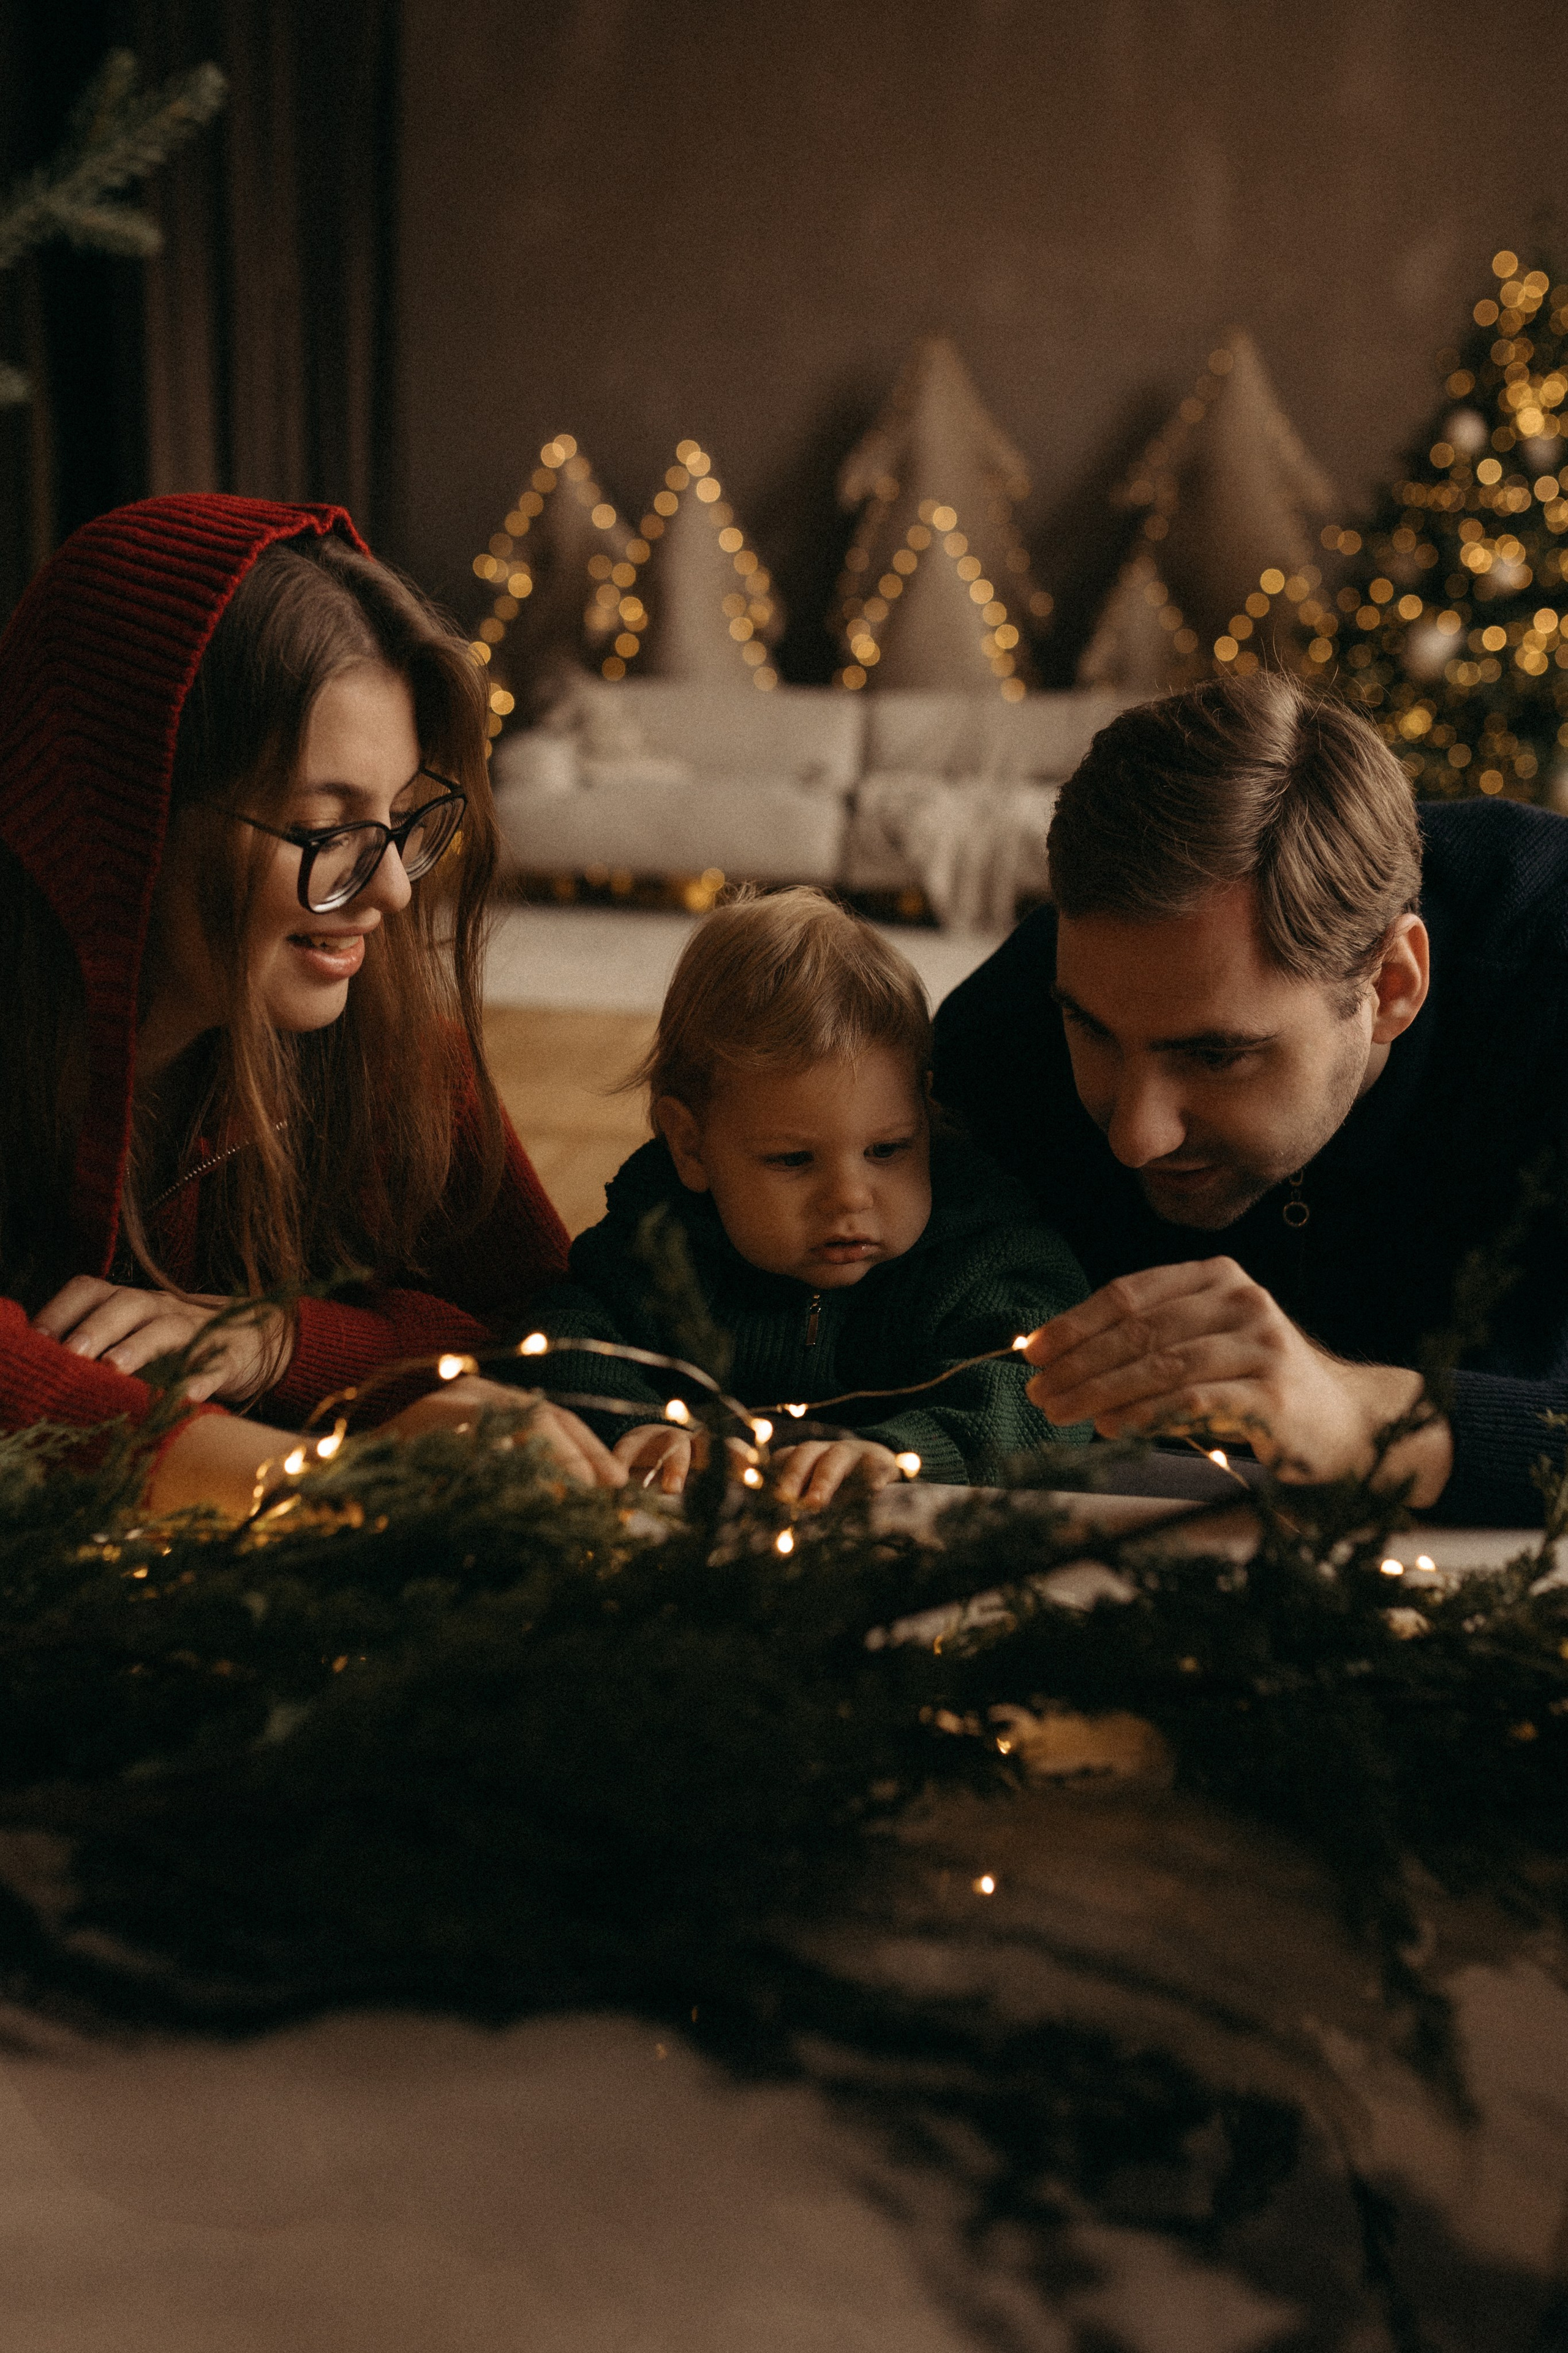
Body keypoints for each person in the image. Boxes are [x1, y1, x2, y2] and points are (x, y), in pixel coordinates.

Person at [0, 493, 624, 1505]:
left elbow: (546, 1327)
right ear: (132, 819)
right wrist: (333, 1479)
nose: (389, 891)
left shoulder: (394, 1037)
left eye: (400, 820)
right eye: (325, 829)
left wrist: (284, 1342)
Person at [933, 671, 1568, 1525]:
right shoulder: (1005, 1034)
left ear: (1393, 982)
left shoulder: (1547, 981)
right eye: (1092, 1032)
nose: (1135, 1137)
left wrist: (1370, 1422)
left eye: (1216, 1054)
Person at [530, 887, 1090, 1501]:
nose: (850, 1197)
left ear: (924, 1110)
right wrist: (644, 1429)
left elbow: (1048, 1388)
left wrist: (900, 1451)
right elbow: (560, 1345)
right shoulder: (652, 1253)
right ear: (691, 1146)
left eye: (887, 1150)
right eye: (794, 1159)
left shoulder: (983, 1254)